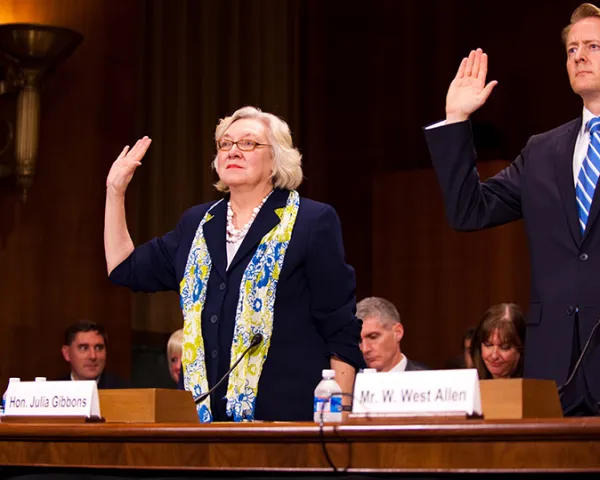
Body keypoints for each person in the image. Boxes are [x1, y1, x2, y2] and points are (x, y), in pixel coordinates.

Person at [424, 3, 600, 414]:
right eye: (572, 49)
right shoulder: (543, 149)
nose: (579, 55)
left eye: (593, 46)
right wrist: (456, 119)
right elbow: (470, 211)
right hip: (553, 367)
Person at [105, 106, 364, 422]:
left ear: (276, 159)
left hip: (286, 418)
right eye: (225, 144)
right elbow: (124, 268)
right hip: (203, 421)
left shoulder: (312, 221)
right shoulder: (197, 223)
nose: (233, 151)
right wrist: (114, 193)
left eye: (249, 144)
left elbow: (339, 324)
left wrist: (341, 412)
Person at [356, 297, 427, 372]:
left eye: (373, 337)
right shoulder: (350, 381)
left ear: (397, 332)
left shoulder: (428, 381)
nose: (365, 349)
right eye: (358, 340)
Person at [61, 321, 128, 389]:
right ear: (67, 353)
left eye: (98, 348)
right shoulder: (52, 391)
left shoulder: (125, 391)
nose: (93, 356)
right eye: (84, 348)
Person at [470, 303, 525, 379]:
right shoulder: (467, 384)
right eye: (488, 345)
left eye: (504, 347)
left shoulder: (537, 385)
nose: (494, 356)